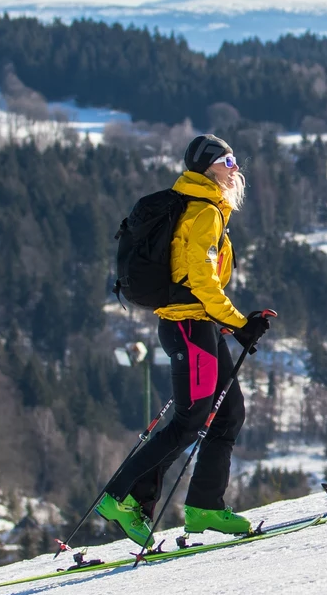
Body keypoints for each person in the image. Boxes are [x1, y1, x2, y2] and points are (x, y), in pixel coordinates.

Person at [96, 134, 272, 546]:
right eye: (227, 160)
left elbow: (193, 279)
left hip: (201, 325)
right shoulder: (204, 211)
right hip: (189, 327)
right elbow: (200, 279)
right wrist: (239, 322)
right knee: (189, 421)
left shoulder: (204, 207)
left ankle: (205, 505)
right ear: (210, 167)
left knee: (229, 413)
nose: (235, 166)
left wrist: (230, 324)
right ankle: (120, 498)